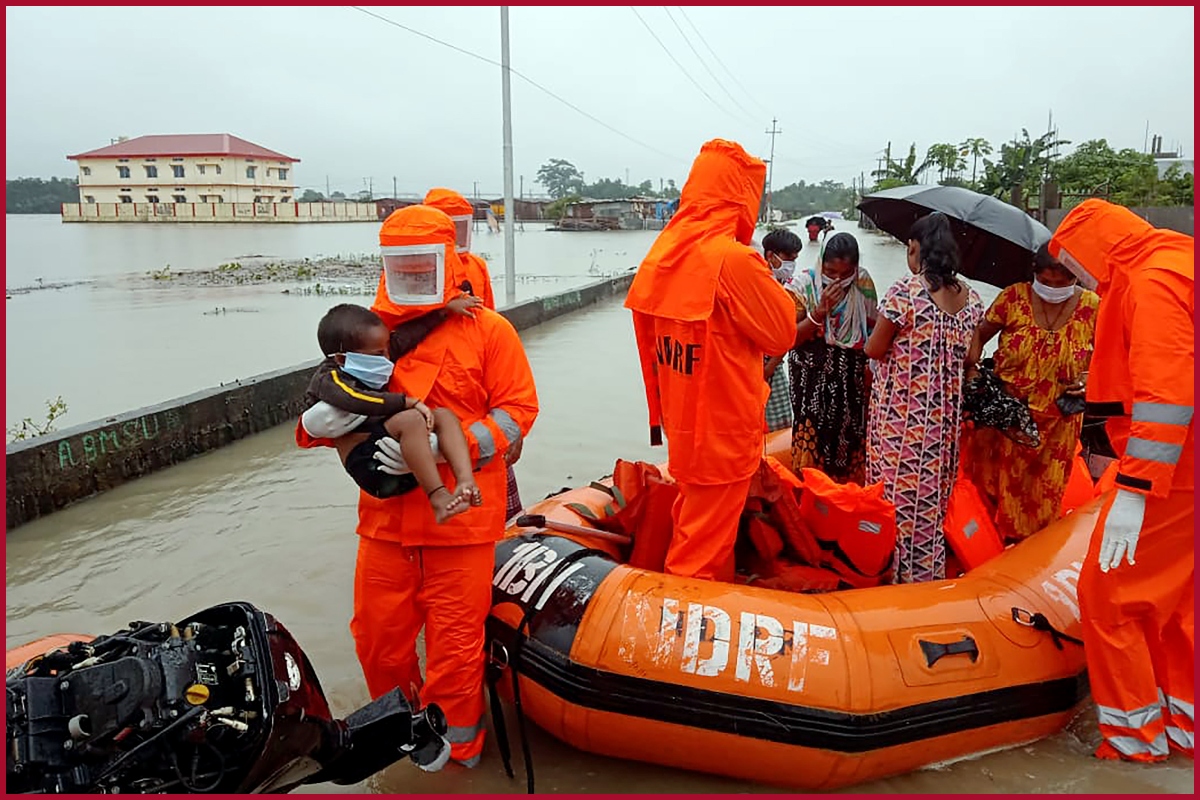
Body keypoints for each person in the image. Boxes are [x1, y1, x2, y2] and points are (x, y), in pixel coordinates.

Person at [317, 204, 538, 770]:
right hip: (385, 522)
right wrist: (326, 429)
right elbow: (322, 403)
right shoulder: (366, 333)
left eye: (424, 264)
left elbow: (518, 411)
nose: (414, 275)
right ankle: (402, 736)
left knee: (456, 648)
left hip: (460, 525)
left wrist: (448, 446)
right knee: (376, 640)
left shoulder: (489, 330)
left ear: (448, 259)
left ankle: (458, 750)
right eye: (403, 264)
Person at [1049, 198, 1193, 764]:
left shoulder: (1150, 281)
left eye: (1079, 265)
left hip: (1170, 478)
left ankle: (1135, 744)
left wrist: (1134, 488)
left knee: (1108, 599)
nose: (1082, 279)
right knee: (1178, 606)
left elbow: (1168, 393)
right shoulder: (1179, 262)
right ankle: (1181, 730)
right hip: (1184, 473)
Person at [625, 138, 796, 583]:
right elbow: (782, 333)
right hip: (723, 435)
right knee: (696, 559)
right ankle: (678, 642)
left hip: (685, 431)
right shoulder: (733, 261)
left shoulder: (661, 258)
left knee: (700, 532)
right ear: (741, 198)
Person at [864, 212, 984, 583]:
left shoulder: (906, 292)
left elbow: (873, 348)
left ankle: (895, 583)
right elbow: (972, 357)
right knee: (930, 508)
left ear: (915, 248)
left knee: (896, 506)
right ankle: (927, 581)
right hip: (942, 426)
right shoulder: (971, 298)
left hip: (902, 425)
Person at [963, 244, 1099, 540]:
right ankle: (987, 551)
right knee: (989, 488)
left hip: (1057, 425)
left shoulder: (1092, 306)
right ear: (1034, 275)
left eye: (1062, 283)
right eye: (1046, 282)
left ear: (1076, 279)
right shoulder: (1013, 297)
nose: (1052, 289)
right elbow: (978, 334)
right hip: (1005, 421)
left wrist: (1089, 379)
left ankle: (1030, 555)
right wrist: (972, 373)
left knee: (1043, 496)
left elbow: (1112, 356)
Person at [423, 187, 527, 521]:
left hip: (477, 398)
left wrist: (515, 432)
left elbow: (491, 323)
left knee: (498, 501)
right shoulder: (410, 270)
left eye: (458, 227)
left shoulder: (477, 268)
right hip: (432, 401)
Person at [786, 231, 878, 484]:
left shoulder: (863, 283)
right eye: (830, 272)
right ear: (820, 263)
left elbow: (872, 332)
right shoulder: (802, 285)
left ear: (855, 268)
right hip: (810, 376)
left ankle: (844, 496)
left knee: (849, 436)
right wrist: (819, 311)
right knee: (813, 436)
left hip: (850, 377)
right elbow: (788, 338)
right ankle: (811, 492)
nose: (837, 280)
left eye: (845, 274)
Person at [761, 228, 803, 433]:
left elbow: (786, 331)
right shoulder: (757, 283)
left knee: (781, 421)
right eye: (788, 258)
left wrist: (771, 365)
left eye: (795, 259)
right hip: (756, 362)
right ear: (770, 255)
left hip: (772, 363)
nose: (791, 265)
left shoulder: (787, 286)